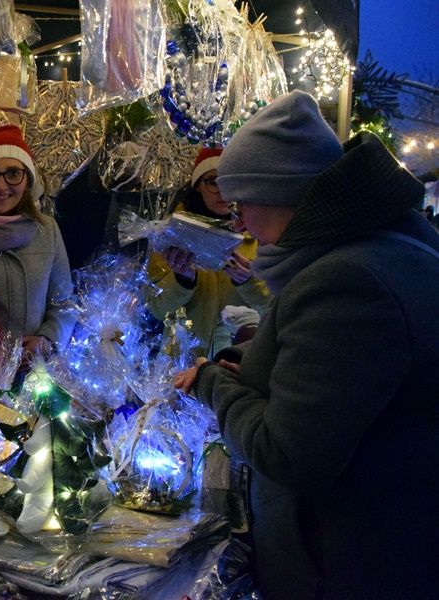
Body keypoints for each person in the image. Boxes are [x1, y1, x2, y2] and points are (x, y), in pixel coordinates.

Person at [174, 90, 439, 599]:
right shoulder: (375, 247)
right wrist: (245, 363)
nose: (240, 223)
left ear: (279, 193)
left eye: (241, 205)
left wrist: (212, 383)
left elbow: (288, 453)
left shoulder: (349, 280)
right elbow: (335, 374)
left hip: (355, 561)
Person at [0, 125, 75, 355]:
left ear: (26, 180)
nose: (1, 185)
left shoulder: (47, 230)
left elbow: (64, 303)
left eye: (12, 174)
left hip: (34, 373)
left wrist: (48, 340)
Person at [145, 147, 270, 357]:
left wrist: (248, 281)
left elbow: (276, 309)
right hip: (181, 365)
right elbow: (156, 309)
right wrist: (183, 280)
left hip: (241, 361)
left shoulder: (262, 234)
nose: (223, 191)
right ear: (196, 185)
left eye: (230, 181)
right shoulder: (170, 236)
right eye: (213, 181)